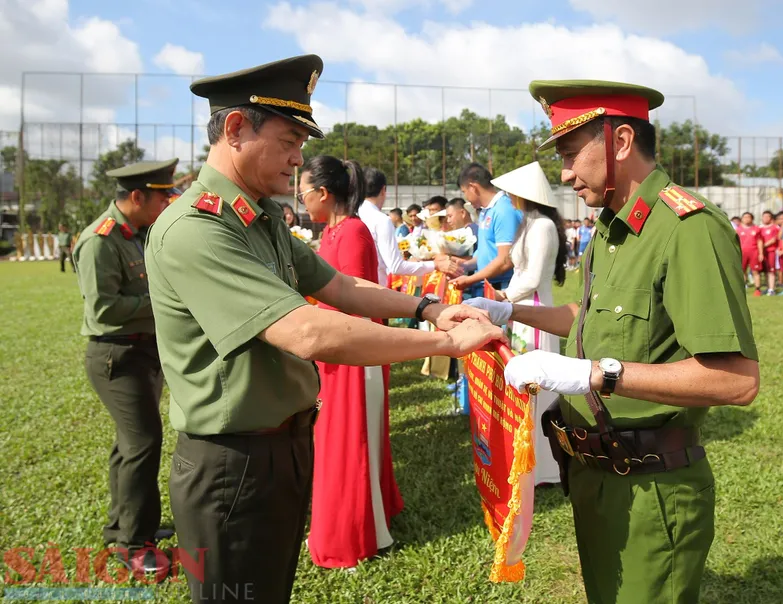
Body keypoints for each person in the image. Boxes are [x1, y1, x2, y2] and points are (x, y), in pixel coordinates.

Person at [144, 55, 501, 603]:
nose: (298, 159)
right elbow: (306, 332)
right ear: (236, 129)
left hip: (281, 446)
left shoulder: (257, 217)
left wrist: (427, 308)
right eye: (290, 141)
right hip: (232, 462)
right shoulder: (197, 227)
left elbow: (338, 285)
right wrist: (446, 343)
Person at [467, 79, 758, 603]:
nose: (564, 173)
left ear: (621, 142)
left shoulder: (687, 228)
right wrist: (510, 310)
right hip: (594, 473)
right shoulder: (610, 227)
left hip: (650, 486)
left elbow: (735, 380)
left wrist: (596, 374)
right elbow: (592, 318)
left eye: (571, 155)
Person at [297, 156, 405, 569]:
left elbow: (357, 302)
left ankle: (353, 533)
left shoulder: (354, 232)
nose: (302, 202)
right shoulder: (332, 231)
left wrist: (310, 309)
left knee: (349, 446)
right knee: (336, 443)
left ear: (323, 194)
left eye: (303, 194)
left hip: (353, 355)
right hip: (335, 351)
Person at [72, 158, 179, 575]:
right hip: (117, 356)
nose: (167, 203)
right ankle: (135, 545)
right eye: (162, 197)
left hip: (142, 353)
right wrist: (162, 302)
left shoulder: (136, 234)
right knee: (143, 444)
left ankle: (123, 526)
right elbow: (104, 308)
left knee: (129, 444)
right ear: (137, 196)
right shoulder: (100, 240)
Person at [488, 161, 568, 486]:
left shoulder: (543, 226)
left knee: (538, 384)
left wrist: (504, 296)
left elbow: (533, 278)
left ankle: (543, 465)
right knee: (523, 381)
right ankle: (524, 456)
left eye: (512, 193)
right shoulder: (528, 223)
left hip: (534, 310)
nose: (509, 197)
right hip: (520, 309)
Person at [357, 167, 447, 287]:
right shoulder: (381, 220)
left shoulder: (352, 214)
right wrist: (435, 265)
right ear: (383, 190)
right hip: (374, 288)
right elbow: (396, 266)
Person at [450, 163, 524, 296]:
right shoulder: (485, 211)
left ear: (473, 187)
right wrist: (465, 265)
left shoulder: (503, 210)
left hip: (501, 288)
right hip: (485, 286)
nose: (465, 197)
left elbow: (505, 261)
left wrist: (470, 279)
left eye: (464, 192)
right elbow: (488, 253)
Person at [736, 212, 763, 296]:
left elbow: (759, 241)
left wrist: (761, 253)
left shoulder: (756, 229)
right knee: (742, 271)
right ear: (742, 219)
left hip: (754, 252)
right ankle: (743, 288)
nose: (747, 219)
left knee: (755, 271)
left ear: (752, 219)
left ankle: (757, 289)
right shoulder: (738, 229)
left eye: (748, 217)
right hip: (742, 253)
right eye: (745, 217)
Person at [759, 210, 780, 295]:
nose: (765, 218)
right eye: (764, 216)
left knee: (771, 270)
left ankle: (771, 289)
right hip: (762, 252)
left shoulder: (775, 227)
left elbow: (774, 239)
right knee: (765, 271)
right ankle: (768, 287)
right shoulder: (760, 228)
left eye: (767, 216)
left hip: (771, 252)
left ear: (771, 218)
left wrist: (763, 245)